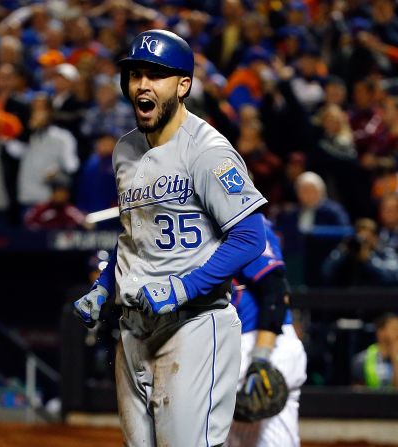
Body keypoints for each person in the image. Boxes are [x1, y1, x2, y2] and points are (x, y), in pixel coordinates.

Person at [72, 30, 268, 446]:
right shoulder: (124, 150)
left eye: (157, 75)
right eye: (136, 74)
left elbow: (250, 237)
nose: (142, 84)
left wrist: (184, 286)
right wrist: (104, 287)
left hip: (194, 325)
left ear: (183, 85)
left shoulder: (207, 150)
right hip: (133, 328)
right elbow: (135, 234)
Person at [226, 215, 307, 447]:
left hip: (261, 343)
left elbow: (275, 291)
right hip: (243, 344)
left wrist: (260, 358)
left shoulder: (245, 222)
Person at [321, 218, 398, 286]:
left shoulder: (384, 252)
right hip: (346, 297)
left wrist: (368, 260)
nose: (363, 243)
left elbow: (392, 276)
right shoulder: (345, 251)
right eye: (360, 238)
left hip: (378, 296)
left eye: (367, 239)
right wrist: (344, 254)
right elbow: (326, 271)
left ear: (375, 237)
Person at [351, 313, 398, 388]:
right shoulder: (362, 359)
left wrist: (394, 357)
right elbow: (357, 393)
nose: (397, 333)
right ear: (380, 332)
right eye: (394, 329)